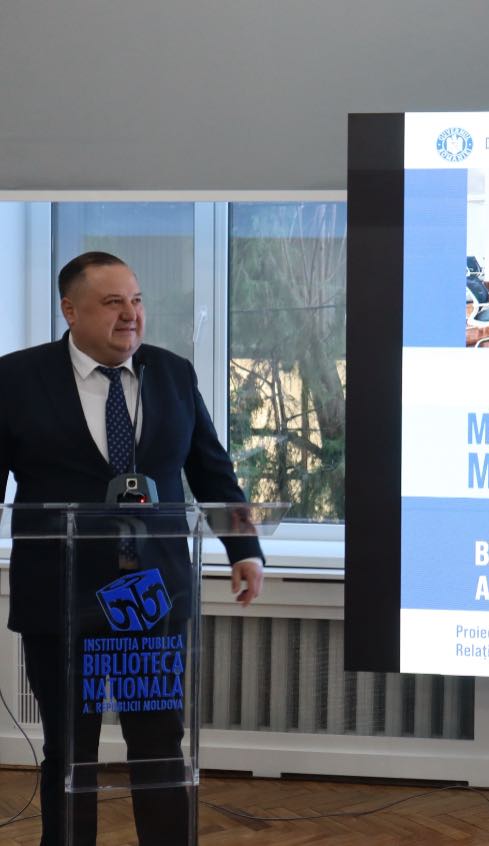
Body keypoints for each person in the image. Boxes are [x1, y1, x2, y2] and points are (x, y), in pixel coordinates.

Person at [0, 251, 265, 845]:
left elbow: (211, 471)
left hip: (153, 599)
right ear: (70, 311)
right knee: (70, 748)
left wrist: (243, 548)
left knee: (159, 742)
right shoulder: (15, 379)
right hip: (61, 599)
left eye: (137, 300)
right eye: (113, 302)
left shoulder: (172, 373)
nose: (131, 314)